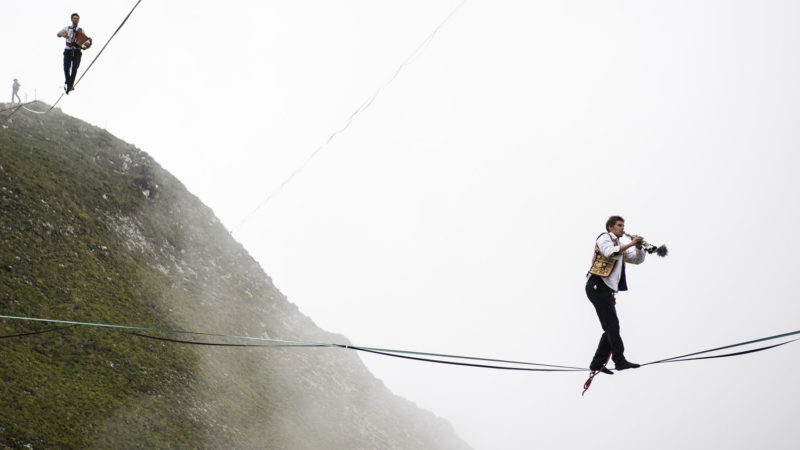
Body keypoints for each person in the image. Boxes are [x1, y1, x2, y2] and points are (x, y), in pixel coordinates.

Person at [585, 215, 647, 374]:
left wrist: (639, 247)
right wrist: (631, 243)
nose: (622, 228)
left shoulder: (620, 245)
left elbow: (637, 260)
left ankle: (597, 363)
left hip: (604, 289)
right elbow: (609, 253)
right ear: (611, 227)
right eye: (619, 225)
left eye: (623, 225)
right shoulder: (604, 238)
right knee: (612, 326)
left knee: (611, 327)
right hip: (597, 285)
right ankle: (619, 360)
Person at [57, 13, 85, 93]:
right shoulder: (67, 28)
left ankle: (70, 85)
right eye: (74, 18)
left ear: (78, 20)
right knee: (66, 67)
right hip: (68, 50)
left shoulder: (81, 30)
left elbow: (84, 41)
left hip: (77, 51)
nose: (75, 20)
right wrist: (63, 35)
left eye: (77, 18)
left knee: (74, 68)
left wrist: (86, 43)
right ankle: (68, 83)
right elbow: (58, 34)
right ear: (72, 19)